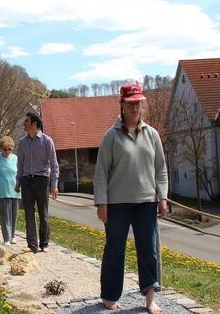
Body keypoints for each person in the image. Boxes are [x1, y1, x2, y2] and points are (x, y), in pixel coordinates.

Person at [94, 84, 168, 313]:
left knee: (148, 249)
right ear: (122, 105)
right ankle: (109, 295)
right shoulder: (111, 136)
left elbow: (161, 169)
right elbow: (101, 173)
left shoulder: (152, 134)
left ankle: (150, 298)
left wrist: (162, 197)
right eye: (131, 103)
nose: (135, 107)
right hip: (117, 204)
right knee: (115, 249)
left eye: (138, 103)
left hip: (146, 201)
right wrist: (101, 203)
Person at [15, 112, 59, 253]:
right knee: (28, 212)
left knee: (43, 212)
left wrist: (54, 185)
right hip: (27, 180)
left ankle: (44, 244)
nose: (24, 124)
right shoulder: (22, 142)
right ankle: (32, 245)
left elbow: (54, 164)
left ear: (34, 124)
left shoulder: (47, 141)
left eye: (27, 121)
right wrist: (18, 181)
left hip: (42, 180)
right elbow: (20, 164)